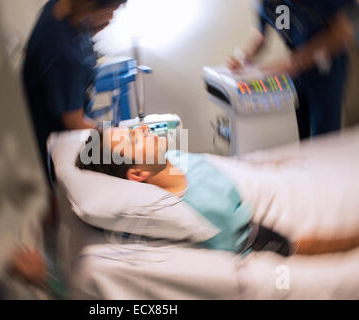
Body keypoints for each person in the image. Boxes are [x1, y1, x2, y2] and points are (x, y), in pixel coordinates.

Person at [76, 125, 359, 256]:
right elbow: (288, 243)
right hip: (309, 201)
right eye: (134, 140)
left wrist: (278, 165)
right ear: (137, 174)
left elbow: (233, 166)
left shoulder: (172, 159)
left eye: (130, 130)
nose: (141, 129)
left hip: (284, 174)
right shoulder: (204, 213)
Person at [22, 0, 126, 181]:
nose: (111, 18)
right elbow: (74, 122)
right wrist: (116, 137)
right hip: (53, 141)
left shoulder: (61, 7)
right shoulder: (64, 54)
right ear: (90, 5)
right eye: (111, 10)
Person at [227, 0, 355, 140]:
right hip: (297, 72)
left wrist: (294, 62)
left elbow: (344, 33)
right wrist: (243, 57)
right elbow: (260, 34)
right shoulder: (267, 4)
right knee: (303, 130)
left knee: (323, 136)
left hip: (327, 67)